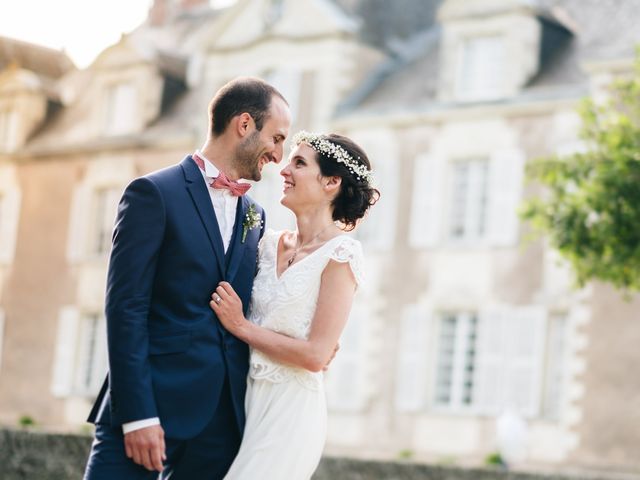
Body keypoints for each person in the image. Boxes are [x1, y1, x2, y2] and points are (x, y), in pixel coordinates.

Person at [83, 77, 291, 480]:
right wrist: (137, 415)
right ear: (244, 125)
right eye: (277, 138)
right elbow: (125, 308)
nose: (280, 155)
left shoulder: (255, 215)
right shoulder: (153, 193)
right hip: (149, 410)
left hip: (221, 426)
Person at [210, 131, 379, 479]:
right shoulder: (265, 243)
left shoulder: (341, 255)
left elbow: (316, 355)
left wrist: (241, 326)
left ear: (331, 181)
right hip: (240, 401)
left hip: (289, 411)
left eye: (299, 163)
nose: (284, 170)